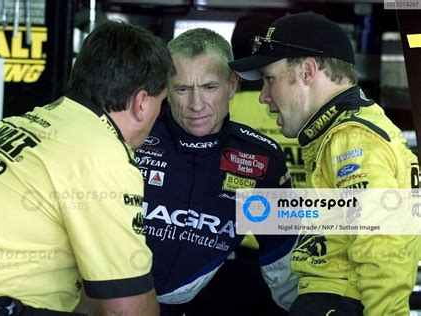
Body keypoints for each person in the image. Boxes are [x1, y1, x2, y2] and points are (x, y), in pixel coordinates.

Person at [0, 20, 175, 315]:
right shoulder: (103, 156)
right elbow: (128, 309)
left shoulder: (28, 122)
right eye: (162, 103)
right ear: (142, 103)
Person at [229, 11, 421, 315]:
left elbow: (382, 247)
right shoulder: (345, 131)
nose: (263, 96)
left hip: (338, 301)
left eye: (269, 80)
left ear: (307, 71)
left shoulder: (352, 139)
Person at [135, 28, 297, 315]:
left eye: (210, 87)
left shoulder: (261, 159)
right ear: (165, 88)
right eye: (183, 88)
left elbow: (281, 256)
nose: (196, 105)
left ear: (232, 85)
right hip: (103, 299)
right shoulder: (133, 134)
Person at [229, 12, 305, 189]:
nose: (265, 98)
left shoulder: (219, 110)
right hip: (309, 212)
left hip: (248, 212)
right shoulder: (308, 107)